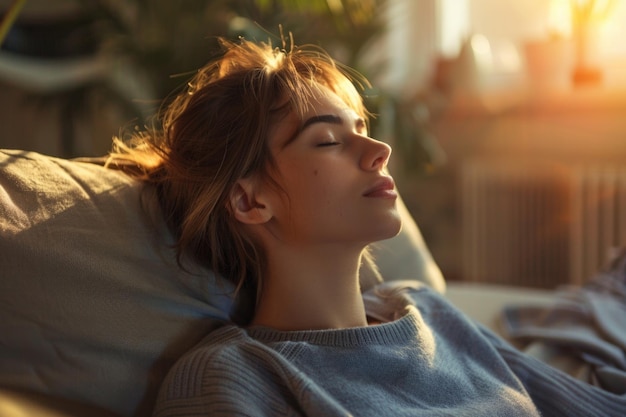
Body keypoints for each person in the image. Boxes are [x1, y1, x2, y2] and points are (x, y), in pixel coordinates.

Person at [108, 37, 626, 416]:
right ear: (249, 200)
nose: (380, 151)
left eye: (362, 129)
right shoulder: (234, 377)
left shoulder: (425, 309)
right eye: (329, 141)